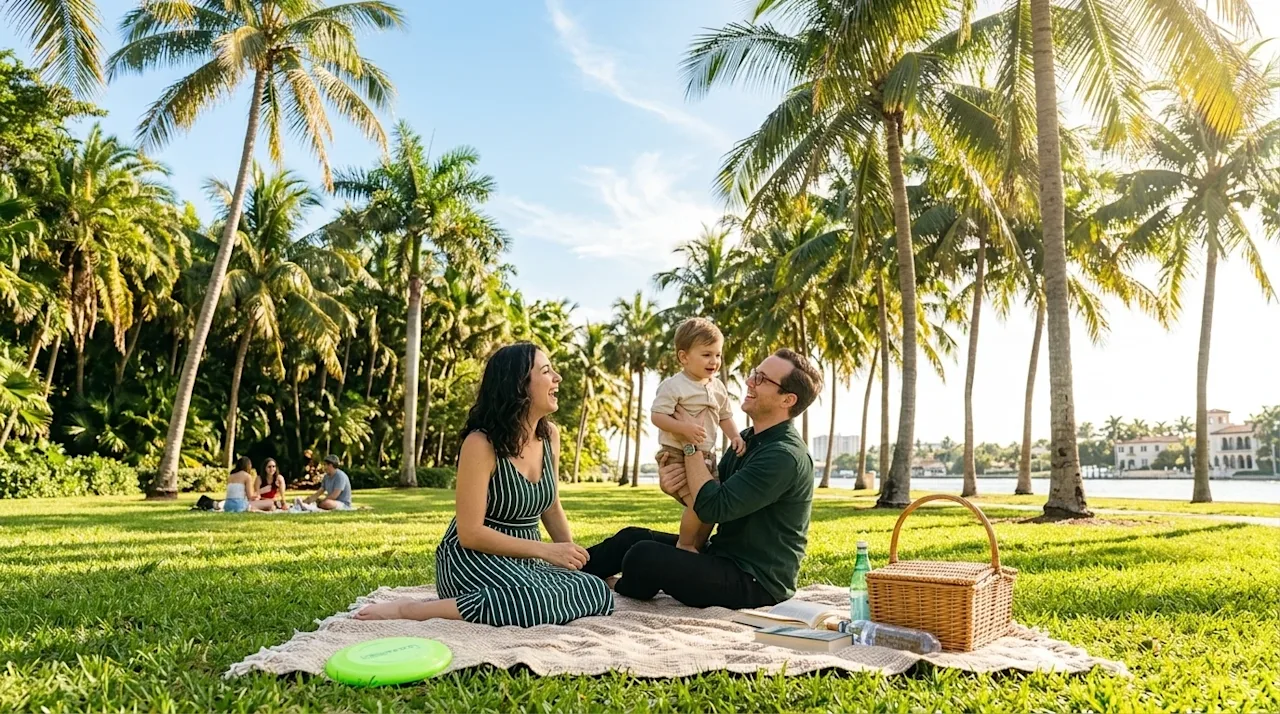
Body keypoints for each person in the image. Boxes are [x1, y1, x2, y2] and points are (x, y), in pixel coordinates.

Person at [354, 343, 615, 626]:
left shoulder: (550, 435)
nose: (557, 378)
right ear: (519, 386)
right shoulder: (481, 444)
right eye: (546, 371)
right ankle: (411, 610)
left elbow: (551, 507)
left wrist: (573, 559)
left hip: (524, 563)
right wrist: (545, 551)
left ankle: (508, 598)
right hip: (473, 559)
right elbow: (470, 533)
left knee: (595, 590)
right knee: (530, 602)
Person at [583, 349, 822, 610]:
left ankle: (615, 586)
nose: (749, 381)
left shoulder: (783, 456)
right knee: (631, 538)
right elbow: (709, 495)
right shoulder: (747, 440)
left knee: (644, 555)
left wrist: (689, 442)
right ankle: (567, 572)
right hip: (722, 556)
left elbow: (713, 506)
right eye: (755, 373)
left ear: (787, 399)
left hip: (756, 583)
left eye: (762, 379)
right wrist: (676, 491)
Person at [650, 317, 745, 553]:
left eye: (718, 355)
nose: (714, 361)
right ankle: (685, 544)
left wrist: (735, 436)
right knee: (697, 503)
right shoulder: (674, 386)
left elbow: (724, 415)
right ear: (684, 357)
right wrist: (684, 429)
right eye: (706, 355)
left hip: (707, 455)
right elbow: (657, 416)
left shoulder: (717, 387)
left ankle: (698, 546)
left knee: (711, 506)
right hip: (676, 454)